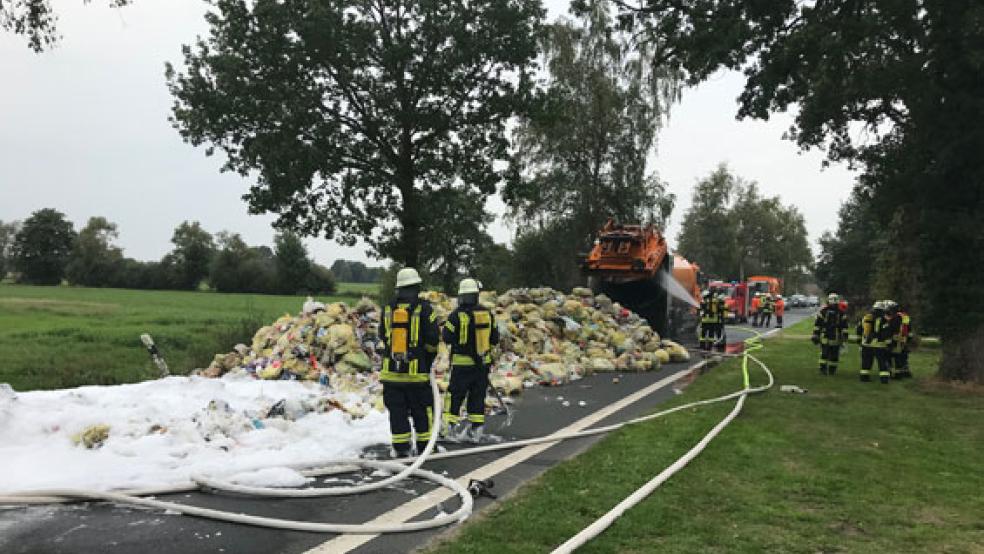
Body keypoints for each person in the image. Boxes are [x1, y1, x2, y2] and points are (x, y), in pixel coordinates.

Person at [379, 267, 441, 457]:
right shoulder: (425, 309)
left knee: (397, 413)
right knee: (422, 411)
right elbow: (432, 341)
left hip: (391, 374)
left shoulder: (388, 308)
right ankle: (425, 448)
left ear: (398, 288)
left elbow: (382, 335)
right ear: (416, 286)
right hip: (417, 375)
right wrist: (426, 360)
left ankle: (401, 448)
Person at [442, 278, 500, 442]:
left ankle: (448, 429)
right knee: (477, 397)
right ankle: (477, 430)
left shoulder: (456, 316)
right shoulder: (487, 314)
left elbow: (446, 337)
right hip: (482, 365)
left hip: (462, 365)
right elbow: (495, 338)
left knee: (454, 396)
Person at [812, 293, 848, 375]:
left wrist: (816, 334)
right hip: (833, 336)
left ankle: (824, 369)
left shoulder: (824, 311)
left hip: (828, 336)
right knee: (832, 354)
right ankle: (830, 370)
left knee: (826, 354)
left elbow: (818, 325)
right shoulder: (840, 312)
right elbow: (844, 326)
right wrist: (845, 337)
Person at [857, 301, 892, 384]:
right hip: (879, 345)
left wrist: (859, 341)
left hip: (866, 344)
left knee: (866, 363)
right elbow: (886, 333)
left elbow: (859, 329)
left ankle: (864, 377)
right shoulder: (884, 320)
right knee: (882, 363)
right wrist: (889, 343)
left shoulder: (866, 317)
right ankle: (884, 380)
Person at [893, 305, 913, 378]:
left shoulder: (895, 317)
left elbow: (892, 329)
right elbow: (909, 330)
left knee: (897, 357)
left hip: (897, 340)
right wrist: (908, 340)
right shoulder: (906, 317)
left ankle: (898, 374)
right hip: (904, 340)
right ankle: (906, 373)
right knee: (904, 357)